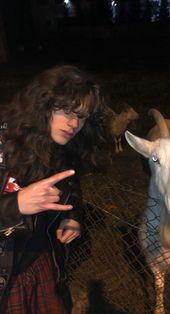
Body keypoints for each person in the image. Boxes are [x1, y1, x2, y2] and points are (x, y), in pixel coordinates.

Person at [0, 65, 110, 313]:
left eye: (81, 116)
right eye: (66, 111)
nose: (73, 123)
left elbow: (70, 184)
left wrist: (71, 217)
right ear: (43, 103)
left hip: (41, 262)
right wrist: (15, 204)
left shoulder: (59, 145)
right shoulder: (3, 139)